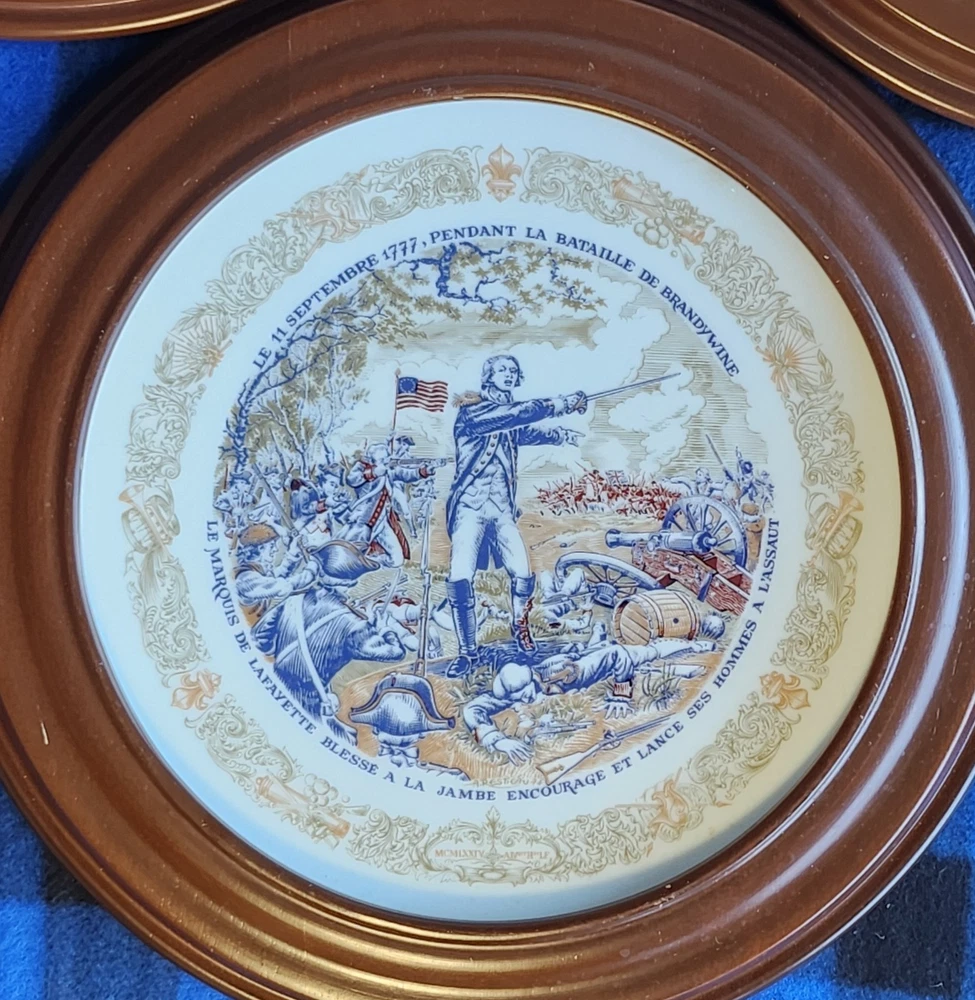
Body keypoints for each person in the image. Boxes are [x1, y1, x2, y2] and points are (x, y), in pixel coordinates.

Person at [445, 354, 586, 677]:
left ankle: (520, 626)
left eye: (513, 370)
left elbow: (521, 431)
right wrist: (560, 404)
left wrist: (559, 435)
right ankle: (467, 652)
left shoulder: (505, 417)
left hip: (501, 511)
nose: (509, 374)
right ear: (489, 377)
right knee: (460, 577)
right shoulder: (473, 412)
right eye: (502, 370)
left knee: (522, 573)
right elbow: (515, 416)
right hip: (469, 508)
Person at [462, 636, 715, 763]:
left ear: (533, 679)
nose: (522, 700)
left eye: (524, 693)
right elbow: (473, 709)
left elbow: (616, 655)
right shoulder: (512, 690)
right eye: (514, 698)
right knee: (647, 668)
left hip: (606, 659)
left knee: (649, 653)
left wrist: (621, 693)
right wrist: (496, 740)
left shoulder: (568, 672)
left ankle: (694, 646)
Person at [346, 440, 446, 567]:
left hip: (382, 523)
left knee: (396, 560)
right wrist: (373, 472)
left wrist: (425, 471)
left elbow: (406, 474)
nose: (386, 462)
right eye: (382, 460)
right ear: (372, 460)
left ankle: (367, 563)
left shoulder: (388, 471)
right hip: (362, 521)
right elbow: (351, 480)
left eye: (386, 459)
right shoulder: (361, 468)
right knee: (347, 551)